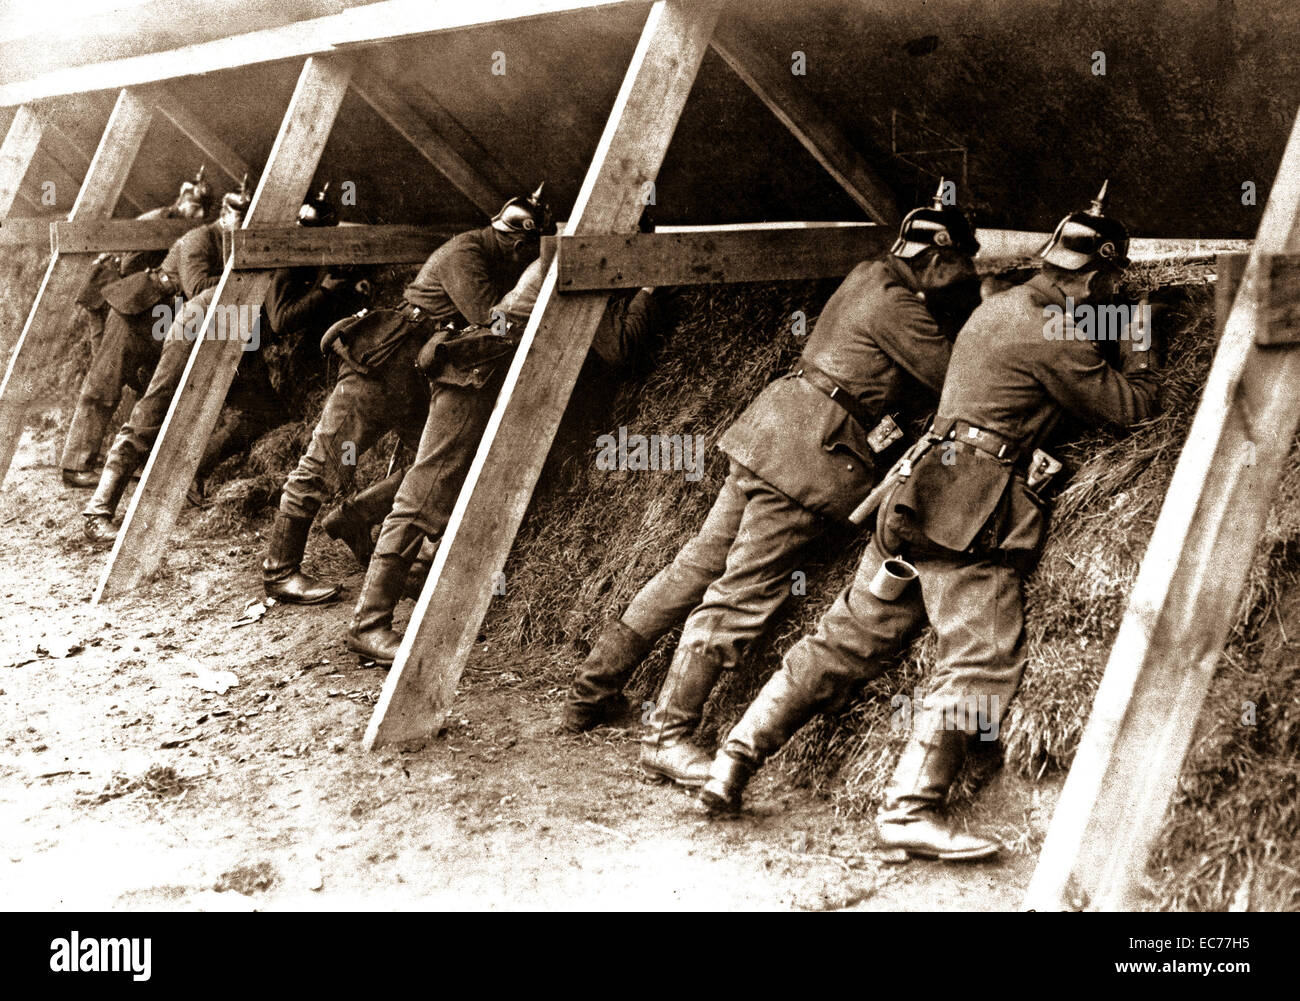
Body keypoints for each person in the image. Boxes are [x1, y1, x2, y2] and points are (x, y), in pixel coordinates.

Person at [698, 183, 1161, 864]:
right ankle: (909, 810)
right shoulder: (1052, 329)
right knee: (981, 656)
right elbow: (1135, 408)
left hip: (914, 497)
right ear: (1096, 276)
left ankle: (732, 760)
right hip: (969, 513)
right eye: (1111, 283)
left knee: (845, 638)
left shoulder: (1000, 307)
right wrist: (1143, 333)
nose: (1111, 294)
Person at [565, 183, 982, 798]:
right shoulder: (901, 305)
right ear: (937, 260)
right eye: (961, 270)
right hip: (806, 458)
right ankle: (667, 735)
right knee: (742, 593)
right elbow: (956, 378)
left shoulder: (869, 274)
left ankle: (589, 694)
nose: (963, 281)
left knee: (693, 566)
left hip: (772, 430)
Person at [343, 212, 673, 665]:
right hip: (476, 375)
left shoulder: (572, 257)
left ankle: (390, 548)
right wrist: (650, 292)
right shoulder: (577, 265)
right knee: (426, 492)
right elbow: (620, 349)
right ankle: (368, 626)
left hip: (490, 376)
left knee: (449, 476)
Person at [261, 186, 550, 606]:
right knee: (323, 460)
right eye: (526, 253)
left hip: (415, 374)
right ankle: (280, 571)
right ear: (519, 243)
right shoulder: (464, 254)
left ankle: (353, 518)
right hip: (381, 366)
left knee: (427, 470)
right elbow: (491, 324)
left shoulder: (484, 251)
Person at [80, 182, 364, 546]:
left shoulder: (303, 252)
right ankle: (98, 512)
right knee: (155, 408)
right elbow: (280, 319)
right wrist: (328, 291)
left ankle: (192, 474)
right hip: (205, 321)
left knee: (263, 412)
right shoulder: (287, 250)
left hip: (239, 328)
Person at [60, 167, 213, 487]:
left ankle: (119, 459)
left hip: (138, 306)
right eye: (193, 206)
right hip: (119, 301)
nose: (197, 213)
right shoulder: (163, 221)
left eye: (202, 209)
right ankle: (76, 466)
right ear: (182, 199)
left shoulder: (182, 225)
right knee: (104, 382)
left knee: (137, 381)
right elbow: (127, 266)